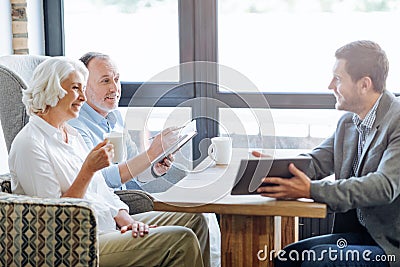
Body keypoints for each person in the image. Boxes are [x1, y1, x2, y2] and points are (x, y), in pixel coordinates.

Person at [8, 57, 206, 267]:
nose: (83, 98)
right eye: (76, 88)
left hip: (109, 225)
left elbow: (103, 191)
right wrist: (88, 170)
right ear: (51, 90)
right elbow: (57, 220)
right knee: (181, 239)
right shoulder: (30, 144)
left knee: (196, 221)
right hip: (81, 242)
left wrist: (128, 222)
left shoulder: (70, 134)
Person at [68, 52, 220, 267]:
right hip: (113, 206)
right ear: (83, 87)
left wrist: (153, 167)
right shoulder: (75, 127)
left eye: (117, 79)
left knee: (202, 217)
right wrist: (149, 154)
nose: (115, 88)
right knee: (188, 229)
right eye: (105, 81)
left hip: (121, 202)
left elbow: (131, 169)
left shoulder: (114, 116)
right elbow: (99, 179)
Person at [255, 40, 399, 266]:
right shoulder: (348, 123)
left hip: (390, 245)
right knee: (286, 259)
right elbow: (316, 162)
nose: (330, 85)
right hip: (361, 236)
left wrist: (312, 190)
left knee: (319, 262)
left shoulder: (397, 119)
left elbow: (384, 186)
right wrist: (276, 167)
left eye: (338, 79)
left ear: (364, 84)